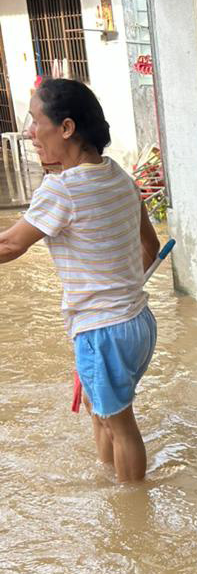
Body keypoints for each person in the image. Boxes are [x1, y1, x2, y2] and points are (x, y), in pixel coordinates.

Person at [0, 79, 160, 482]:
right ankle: (105, 480)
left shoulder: (61, 190)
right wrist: (119, 292)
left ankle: (131, 517)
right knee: (99, 407)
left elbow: (8, 247)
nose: (30, 134)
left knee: (120, 425)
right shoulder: (119, 176)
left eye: (37, 122)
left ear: (66, 128)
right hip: (138, 325)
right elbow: (150, 246)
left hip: (102, 331)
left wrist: (105, 309)